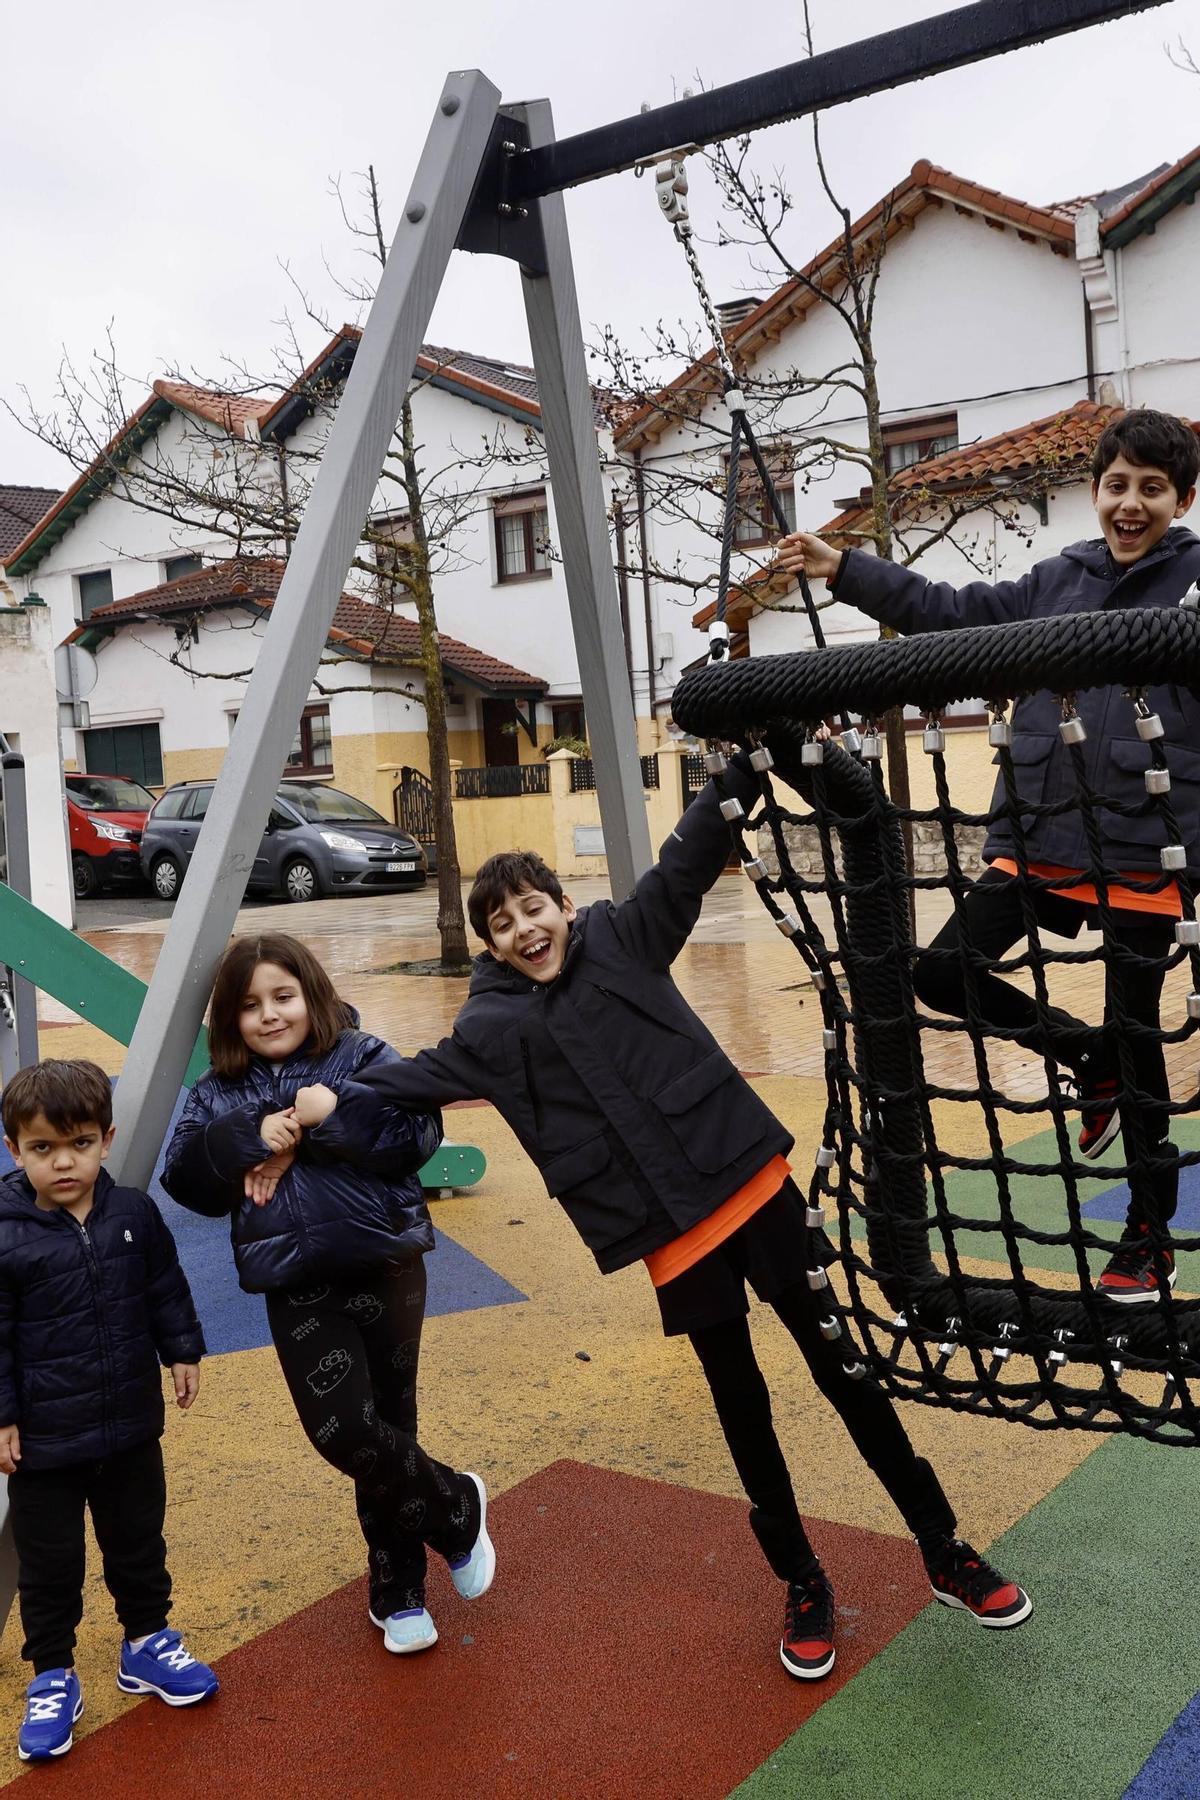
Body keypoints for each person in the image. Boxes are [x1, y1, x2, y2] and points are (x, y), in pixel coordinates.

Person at [352, 819, 1032, 1683]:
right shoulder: (492, 1026)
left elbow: (685, 865)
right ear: (489, 944)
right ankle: (802, 1580)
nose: (526, 931)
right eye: (503, 924)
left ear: (565, 905)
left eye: (535, 909)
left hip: (751, 1190)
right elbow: (413, 1075)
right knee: (741, 1403)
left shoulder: (625, 939)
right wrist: (312, 1105)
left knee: (842, 1369)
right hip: (671, 1238)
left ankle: (944, 1547)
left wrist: (731, 782)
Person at [778, 406, 1200, 1305]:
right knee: (941, 970)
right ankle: (1084, 1056)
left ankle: (1150, 1233)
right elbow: (949, 616)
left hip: (1140, 848)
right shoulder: (1057, 581)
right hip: (1042, 835)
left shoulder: (1199, 583)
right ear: (1094, 492)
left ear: (1182, 499)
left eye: (1152, 491)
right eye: (1117, 486)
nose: (1132, 505)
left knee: (1145, 1035)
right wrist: (843, 567)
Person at [161, 932, 494, 1660]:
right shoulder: (220, 1092)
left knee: (391, 1424)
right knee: (343, 1431)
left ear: (311, 993)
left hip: (385, 1267)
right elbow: (188, 1179)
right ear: (229, 1018)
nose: (270, 1016)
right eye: (250, 1006)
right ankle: (455, 1507)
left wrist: (327, 1115)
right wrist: (251, 1136)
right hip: (296, 1281)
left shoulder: (362, 1056)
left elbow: (416, 1134)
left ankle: (398, 1588)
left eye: (283, 997)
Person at [0, 1059, 217, 1764]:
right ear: (14, 1150)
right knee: (50, 1563)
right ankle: (53, 1676)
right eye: (42, 1148)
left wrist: (182, 1349)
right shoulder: (7, 1235)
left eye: (81, 1143)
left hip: (128, 1425)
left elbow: (164, 1286)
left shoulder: (132, 1213)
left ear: (106, 1139)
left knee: (137, 1541)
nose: (65, 1162)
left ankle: (147, 1642)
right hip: (44, 1440)